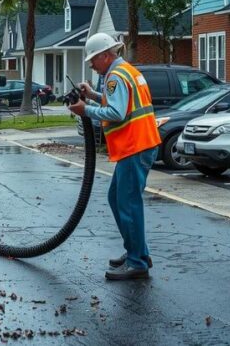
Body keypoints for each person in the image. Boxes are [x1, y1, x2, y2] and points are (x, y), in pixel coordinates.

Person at [67, 33, 161, 280]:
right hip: (140, 144)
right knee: (116, 199)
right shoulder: (126, 71)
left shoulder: (115, 77)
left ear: (106, 55)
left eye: (93, 60)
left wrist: (84, 109)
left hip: (135, 146)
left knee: (127, 203)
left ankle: (137, 261)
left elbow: (117, 112)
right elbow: (121, 103)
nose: (91, 65)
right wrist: (94, 96)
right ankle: (137, 252)